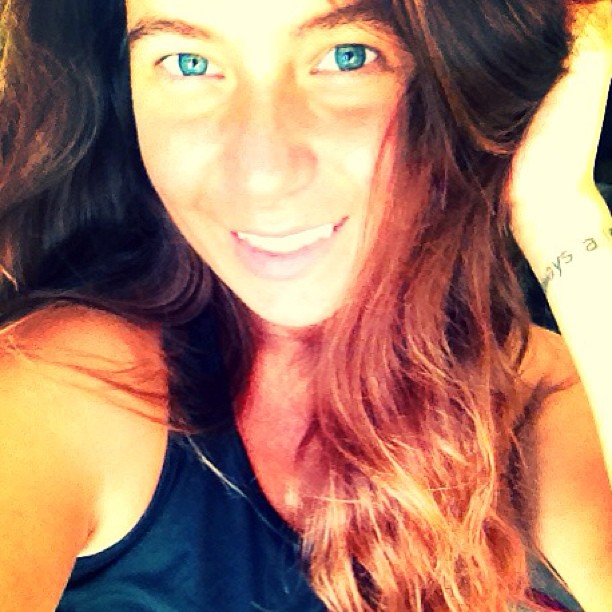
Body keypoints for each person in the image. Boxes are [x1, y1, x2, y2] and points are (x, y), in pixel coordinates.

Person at [0, 0, 611, 610]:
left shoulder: (537, 392)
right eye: (188, 63)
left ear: (456, 80)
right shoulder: (65, 390)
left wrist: (557, 211)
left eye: (348, 57)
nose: (262, 174)